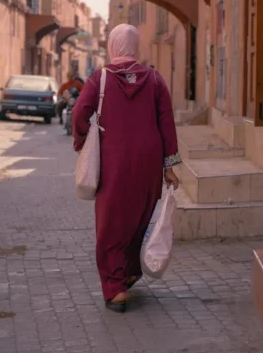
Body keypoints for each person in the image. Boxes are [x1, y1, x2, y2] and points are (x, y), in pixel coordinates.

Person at [71, 24, 181, 313]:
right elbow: (167, 123)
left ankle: (115, 287)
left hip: (114, 163)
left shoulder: (100, 79)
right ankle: (131, 271)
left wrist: (82, 140)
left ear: (113, 45)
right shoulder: (155, 79)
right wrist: (169, 166)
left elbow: (80, 113)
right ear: (135, 45)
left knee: (110, 225)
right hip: (148, 162)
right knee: (137, 218)